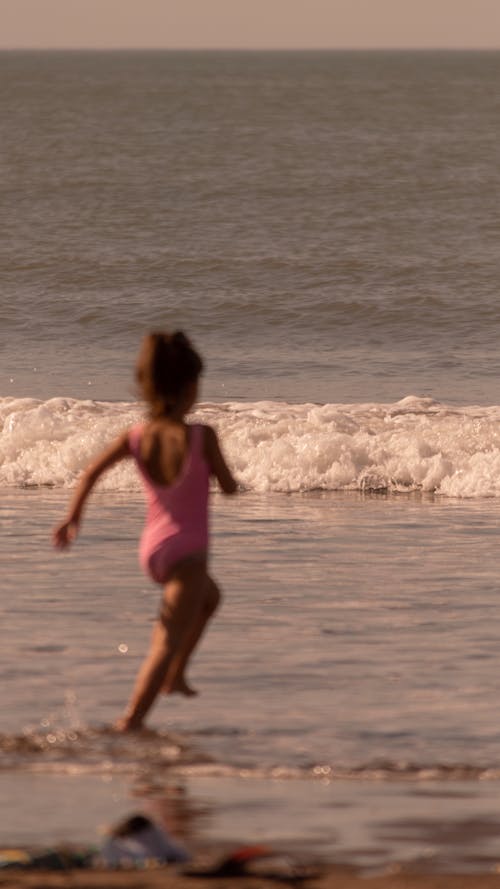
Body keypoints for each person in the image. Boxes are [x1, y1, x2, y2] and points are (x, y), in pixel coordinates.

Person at [53, 331, 237, 731]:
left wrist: (73, 519)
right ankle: (132, 720)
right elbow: (229, 486)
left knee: (211, 598)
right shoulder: (202, 436)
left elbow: (90, 474)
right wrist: (223, 479)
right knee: (164, 642)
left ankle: (177, 674)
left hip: (153, 550)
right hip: (187, 553)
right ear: (191, 388)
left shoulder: (136, 436)